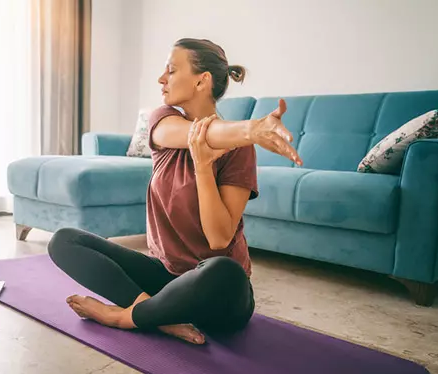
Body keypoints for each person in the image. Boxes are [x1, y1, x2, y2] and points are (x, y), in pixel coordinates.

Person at [48, 38, 302, 345]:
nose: (161, 78)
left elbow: (219, 238)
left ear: (201, 80)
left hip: (215, 292)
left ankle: (124, 317)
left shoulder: (239, 151)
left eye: (171, 69)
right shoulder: (163, 120)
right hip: (165, 277)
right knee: (64, 240)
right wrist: (250, 130)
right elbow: (200, 134)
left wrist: (204, 167)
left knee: (224, 271)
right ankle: (154, 314)